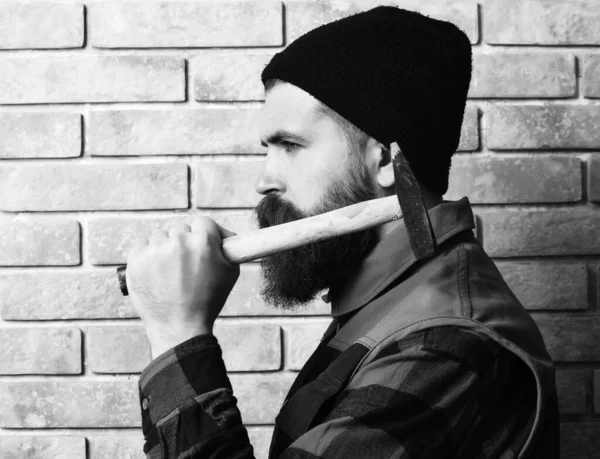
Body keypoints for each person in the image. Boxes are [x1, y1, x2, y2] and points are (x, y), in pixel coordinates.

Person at [125, 6, 560, 458]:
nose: (265, 180)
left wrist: (179, 331)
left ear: (388, 160)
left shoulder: (443, 342)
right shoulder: (389, 301)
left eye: (290, 145)